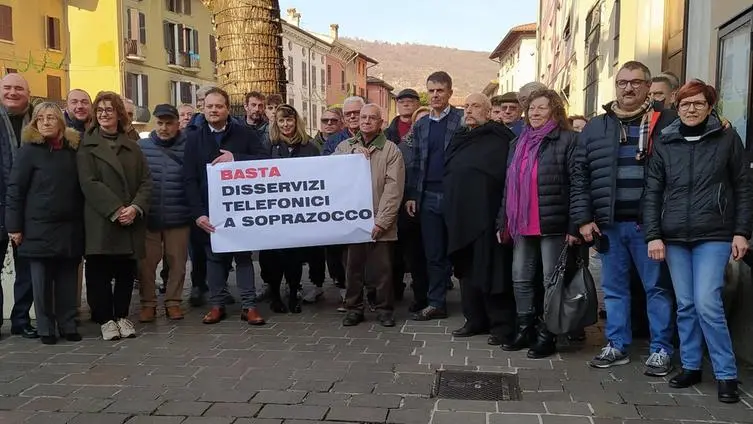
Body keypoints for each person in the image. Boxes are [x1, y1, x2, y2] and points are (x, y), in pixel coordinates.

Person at [644, 80, 752, 404]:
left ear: (710, 106)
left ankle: (726, 372)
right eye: (685, 104)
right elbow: (653, 192)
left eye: (698, 103)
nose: (691, 109)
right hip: (674, 236)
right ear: (677, 108)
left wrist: (741, 232)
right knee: (687, 304)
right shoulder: (665, 141)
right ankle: (690, 365)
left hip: (715, 234)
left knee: (707, 302)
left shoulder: (727, 138)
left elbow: (744, 187)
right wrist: (653, 234)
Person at [571, 61, 676, 375]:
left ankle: (661, 350)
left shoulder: (667, 122)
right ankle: (616, 344)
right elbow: (580, 175)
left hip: (651, 226)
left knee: (656, 289)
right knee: (615, 290)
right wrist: (583, 218)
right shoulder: (597, 127)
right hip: (609, 225)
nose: (628, 88)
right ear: (615, 86)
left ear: (647, 86)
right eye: (622, 82)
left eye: (635, 82)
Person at [497, 89, 581, 359]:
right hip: (521, 223)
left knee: (550, 282)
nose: (534, 113)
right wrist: (504, 221)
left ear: (554, 110)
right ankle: (525, 328)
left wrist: (574, 225)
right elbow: (508, 187)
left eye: (541, 108)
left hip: (552, 223)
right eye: (531, 108)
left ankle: (548, 333)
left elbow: (578, 184)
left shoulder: (568, 140)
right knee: (520, 278)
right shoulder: (517, 143)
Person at [183, 87, 269, 326]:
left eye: (218, 106)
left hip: (241, 210)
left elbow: (265, 162)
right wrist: (198, 213)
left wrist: (236, 159)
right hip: (209, 211)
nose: (214, 110)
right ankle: (217, 304)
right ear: (203, 108)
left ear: (227, 109)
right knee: (214, 259)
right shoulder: (193, 138)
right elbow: (188, 179)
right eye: (209, 106)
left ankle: (249, 306)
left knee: (243, 258)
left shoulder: (245, 134)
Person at [5, 102, 84, 345]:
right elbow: (15, 190)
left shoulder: (73, 150)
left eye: (51, 117)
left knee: (68, 280)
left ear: (61, 122)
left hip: (69, 227)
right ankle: (46, 328)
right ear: (35, 124)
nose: (46, 122)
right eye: (41, 118)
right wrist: (14, 227)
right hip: (37, 227)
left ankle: (68, 324)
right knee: (40, 282)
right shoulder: (29, 151)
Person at [78, 91, 152, 341]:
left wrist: (135, 208)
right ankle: (106, 319)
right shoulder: (86, 145)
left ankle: (122, 316)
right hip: (102, 219)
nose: (104, 114)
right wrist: (116, 209)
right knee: (99, 273)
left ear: (119, 114)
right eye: (99, 110)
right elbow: (89, 183)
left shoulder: (132, 146)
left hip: (130, 219)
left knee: (124, 272)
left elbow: (146, 182)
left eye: (109, 110)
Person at [446, 94, 516, 346]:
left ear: (488, 111)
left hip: (489, 215)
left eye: (475, 106)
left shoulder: (500, 137)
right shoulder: (460, 138)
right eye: (466, 106)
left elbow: (507, 176)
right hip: (461, 216)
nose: (469, 110)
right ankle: (474, 319)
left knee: (494, 270)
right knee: (467, 268)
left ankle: (501, 325)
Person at [335, 104, 405, 327]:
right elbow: (331, 172)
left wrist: (382, 222)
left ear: (380, 122)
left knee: (382, 270)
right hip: (353, 222)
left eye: (371, 118)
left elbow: (393, 189)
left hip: (380, 222)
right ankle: (354, 308)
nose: (365, 121)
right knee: (353, 269)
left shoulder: (391, 150)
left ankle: (384, 309)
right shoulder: (345, 147)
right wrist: (352, 156)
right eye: (362, 117)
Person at [406, 71, 464, 321]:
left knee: (461, 250)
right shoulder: (421, 125)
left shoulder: (462, 120)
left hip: (455, 195)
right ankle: (436, 302)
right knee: (433, 253)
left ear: (450, 92)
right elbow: (416, 162)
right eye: (431, 91)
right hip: (428, 196)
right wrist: (412, 195)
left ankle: (473, 305)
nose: (435, 95)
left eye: (440, 90)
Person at [259, 104, 320, 313]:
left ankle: (294, 293)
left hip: (298, 211)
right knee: (273, 257)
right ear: (276, 123)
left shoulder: (309, 147)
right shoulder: (269, 145)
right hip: (273, 211)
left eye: (289, 120)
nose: (286, 125)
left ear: (296, 121)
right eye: (281, 120)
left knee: (294, 257)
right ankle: (275, 296)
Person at [137, 104, 192, 322]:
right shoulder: (141, 147)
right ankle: (148, 303)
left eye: (169, 123)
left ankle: (173, 302)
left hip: (179, 215)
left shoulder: (190, 147)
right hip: (149, 217)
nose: (164, 128)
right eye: (160, 123)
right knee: (146, 264)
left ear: (178, 124)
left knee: (177, 263)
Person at [0, 73, 37, 339]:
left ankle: (21, 320)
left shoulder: (40, 119)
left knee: (27, 268)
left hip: (30, 206)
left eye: (18, 88)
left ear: (28, 92)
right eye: (7, 88)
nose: (12, 92)